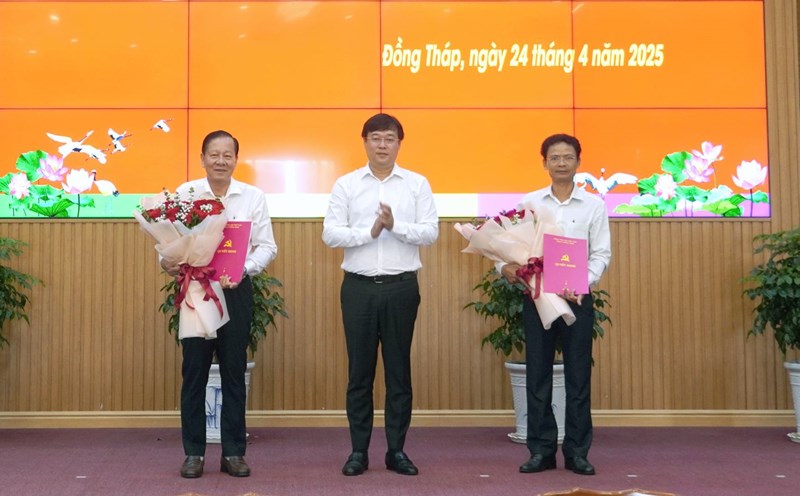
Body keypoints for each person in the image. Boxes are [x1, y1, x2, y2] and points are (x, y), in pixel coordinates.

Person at [322, 113, 439, 477]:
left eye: (389, 138)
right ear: (365, 142)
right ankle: (358, 451)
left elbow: (430, 232)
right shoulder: (346, 184)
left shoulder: (417, 184)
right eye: (376, 138)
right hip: (357, 288)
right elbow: (330, 234)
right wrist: (369, 232)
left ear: (399, 144)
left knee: (398, 372)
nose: (382, 145)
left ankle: (396, 451)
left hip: (401, 287)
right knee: (360, 373)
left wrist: (394, 226)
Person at [161, 130, 278, 479]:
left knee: (233, 371)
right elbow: (169, 243)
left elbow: (267, 246)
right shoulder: (186, 194)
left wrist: (245, 269)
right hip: (196, 290)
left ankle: (233, 453)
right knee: (194, 371)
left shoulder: (253, 197)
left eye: (228, 155)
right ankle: (194, 453)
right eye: (214, 154)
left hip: (236, 290)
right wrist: (166, 261)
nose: (221, 161)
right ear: (202, 158)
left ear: (236, 160)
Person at [500, 133, 610, 476]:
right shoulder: (530, 202)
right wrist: (506, 269)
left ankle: (577, 452)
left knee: (578, 377)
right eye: (554, 158)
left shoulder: (594, 206)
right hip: (537, 299)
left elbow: (601, 253)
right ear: (544, 162)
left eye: (567, 157)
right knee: (538, 375)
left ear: (578, 161)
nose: (561, 163)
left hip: (578, 300)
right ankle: (541, 451)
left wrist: (579, 284)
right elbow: (508, 246)